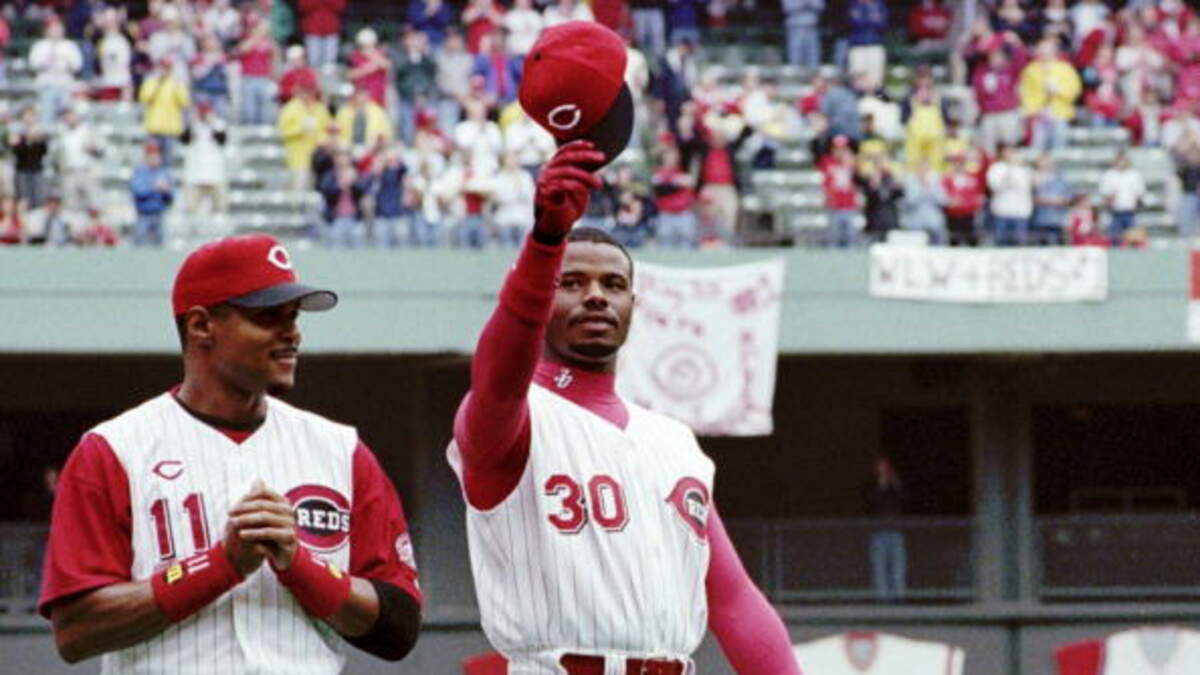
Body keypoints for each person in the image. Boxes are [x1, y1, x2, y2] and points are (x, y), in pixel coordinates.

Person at [448, 138, 801, 674]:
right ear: (541, 295)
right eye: (572, 282)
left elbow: (734, 602)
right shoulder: (511, 418)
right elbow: (498, 376)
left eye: (613, 284)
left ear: (633, 305)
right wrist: (545, 242)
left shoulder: (673, 441)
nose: (596, 295)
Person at [38, 234, 422, 672]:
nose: (291, 333)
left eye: (294, 317)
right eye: (268, 317)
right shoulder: (114, 450)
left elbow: (399, 627)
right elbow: (76, 631)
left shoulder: (340, 450)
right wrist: (220, 565)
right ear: (202, 325)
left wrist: (301, 564)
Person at [863, 455, 906, 601]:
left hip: (895, 530)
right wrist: (881, 486)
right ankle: (882, 598)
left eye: (884, 467)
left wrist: (894, 484)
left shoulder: (894, 484)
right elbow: (870, 503)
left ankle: (899, 596)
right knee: (879, 566)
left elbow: (903, 499)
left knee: (898, 566)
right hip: (878, 531)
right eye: (879, 467)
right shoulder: (871, 485)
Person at [29, 16, 83, 127]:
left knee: (66, 110)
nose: (56, 31)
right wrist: (46, 60)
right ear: (47, 30)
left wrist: (66, 61)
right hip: (46, 85)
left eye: (58, 28)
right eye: (53, 28)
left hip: (65, 84)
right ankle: (47, 130)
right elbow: (33, 64)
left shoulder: (69, 45)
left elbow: (78, 65)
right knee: (47, 111)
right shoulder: (40, 45)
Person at [986, 143, 1033, 246]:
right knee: (1000, 243)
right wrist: (1009, 169)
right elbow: (994, 187)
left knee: (1020, 244)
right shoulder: (996, 168)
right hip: (1001, 211)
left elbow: (1028, 187)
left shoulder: (1024, 169)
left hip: (1020, 212)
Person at [129, 141, 174, 246]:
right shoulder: (140, 171)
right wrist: (154, 187)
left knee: (160, 246)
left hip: (159, 214)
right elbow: (138, 191)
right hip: (144, 214)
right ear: (146, 156)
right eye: (151, 155)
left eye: (156, 155)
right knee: (140, 244)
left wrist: (166, 191)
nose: (154, 158)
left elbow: (171, 196)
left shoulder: (163, 172)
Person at [1097, 150, 1146, 245]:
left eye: (1124, 160)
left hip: (1130, 212)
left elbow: (1140, 193)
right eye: (1119, 160)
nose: (1121, 163)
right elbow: (1105, 194)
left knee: (1134, 240)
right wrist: (1110, 200)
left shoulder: (1134, 175)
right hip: (1115, 213)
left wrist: (1136, 201)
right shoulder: (1109, 175)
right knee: (1115, 239)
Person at [298, 0, 345, 68]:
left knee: (330, 63)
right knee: (313, 62)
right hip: (312, 30)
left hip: (331, 29)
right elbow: (302, 7)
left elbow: (341, 7)